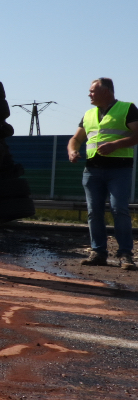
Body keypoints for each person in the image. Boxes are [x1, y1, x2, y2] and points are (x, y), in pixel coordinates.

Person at [67, 78, 138, 270]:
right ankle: (98, 252)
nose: (89, 94)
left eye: (92, 91)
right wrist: (72, 151)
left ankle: (125, 254)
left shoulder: (127, 108)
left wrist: (116, 144)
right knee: (93, 212)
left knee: (119, 210)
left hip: (119, 170)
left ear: (107, 91)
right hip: (92, 170)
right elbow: (76, 138)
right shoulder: (89, 114)